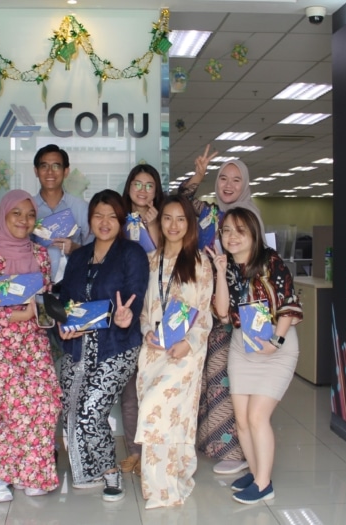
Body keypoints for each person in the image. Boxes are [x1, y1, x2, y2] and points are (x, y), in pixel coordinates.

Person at [0, 189, 62, 502]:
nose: (24, 220)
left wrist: (51, 316)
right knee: (10, 409)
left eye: (30, 214)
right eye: (16, 213)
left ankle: (31, 472)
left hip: (33, 341)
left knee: (45, 403)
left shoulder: (40, 255)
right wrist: (23, 313)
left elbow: (44, 300)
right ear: (4, 215)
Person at [58, 189, 149, 502]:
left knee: (89, 410)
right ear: (90, 219)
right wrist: (60, 322)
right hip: (78, 347)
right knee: (68, 408)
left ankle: (109, 470)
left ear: (121, 220)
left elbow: (136, 292)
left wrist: (128, 316)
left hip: (117, 345)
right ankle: (86, 471)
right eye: (98, 215)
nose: (105, 221)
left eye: (112, 215)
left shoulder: (131, 253)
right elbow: (64, 295)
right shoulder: (80, 255)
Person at [208, 207, 302, 504]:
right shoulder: (227, 266)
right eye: (226, 231)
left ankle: (264, 484)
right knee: (242, 421)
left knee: (258, 416)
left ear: (253, 234)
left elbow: (288, 303)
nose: (232, 237)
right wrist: (221, 273)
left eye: (240, 231)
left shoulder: (271, 261)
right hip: (242, 346)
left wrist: (277, 340)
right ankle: (256, 470)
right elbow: (222, 313)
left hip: (277, 347)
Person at [180, 145, 265, 475]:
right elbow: (177, 205)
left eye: (236, 179)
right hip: (212, 309)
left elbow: (253, 270)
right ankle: (222, 444)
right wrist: (197, 177)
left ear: (245, 184)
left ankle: (237, 450)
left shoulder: (249, 215)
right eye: (223, 178)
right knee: (216, 378)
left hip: (238, 314)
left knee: (230, 380)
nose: (228, 185)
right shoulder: (213, 213)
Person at [134, 195, 213, 508]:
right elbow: (142, 310)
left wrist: (189, 343)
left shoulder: (200, 263)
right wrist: (147, 332)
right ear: (159, 221)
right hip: (153, 352)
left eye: (181, 219)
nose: (174, 225)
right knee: (161, 417)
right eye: (167, 218)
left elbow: (205, 314)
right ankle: (171, 478)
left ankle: (162, 490)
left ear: (190, 224)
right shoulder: (150, 261)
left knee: (162, 414)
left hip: (185, 354)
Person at [118, 163, 165, 477]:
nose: (143, 190)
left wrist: (156, 225)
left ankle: (156, 450)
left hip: (156, 310)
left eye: (150, 185)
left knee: (155, 385)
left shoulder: (164, 218)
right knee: (129, 389)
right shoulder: (116, 219)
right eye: (138, 183)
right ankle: (136, 452)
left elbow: (166, 257)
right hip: (123, 311)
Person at [32, 144, 93, 283]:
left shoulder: (81, 207)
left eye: (56, 166)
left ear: (66, 171)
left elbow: (95, 251)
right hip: (36, 286)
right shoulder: (28, 208)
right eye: (44, 166)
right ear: (36, 171)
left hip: (74, 284)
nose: (50, 172)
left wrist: (75, 249)